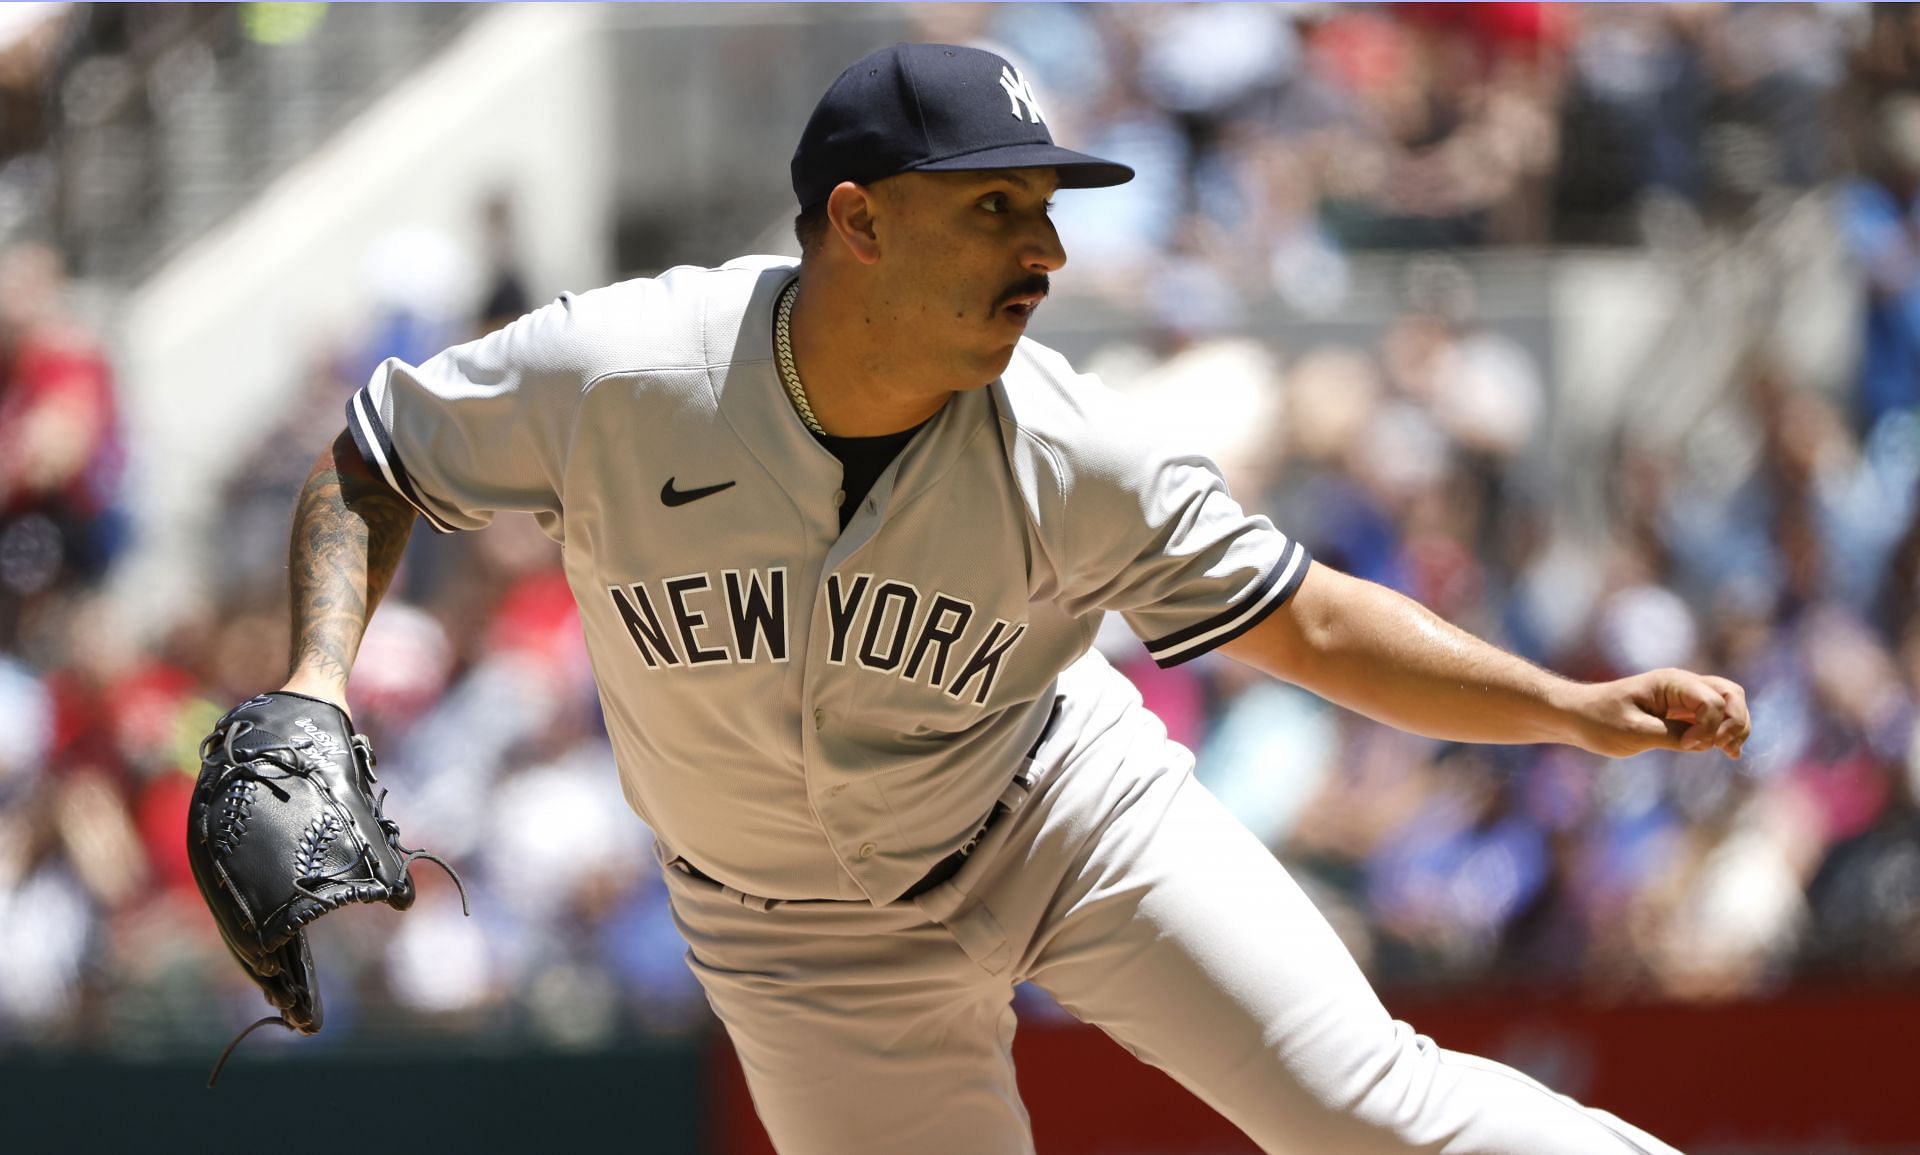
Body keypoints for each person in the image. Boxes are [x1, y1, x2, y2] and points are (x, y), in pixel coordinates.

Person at [283, 43, 1747, 1154]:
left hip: (1063, 821)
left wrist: (1561, 707)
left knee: (1368, 1113)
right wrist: (311, 685)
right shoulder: (622, 373)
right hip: (794, 939)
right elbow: (377, 453)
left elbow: (1309, 616)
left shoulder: (1072, 442)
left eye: (1046, 210)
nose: (1045, 255)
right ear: (855, 222)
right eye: (996, 209)